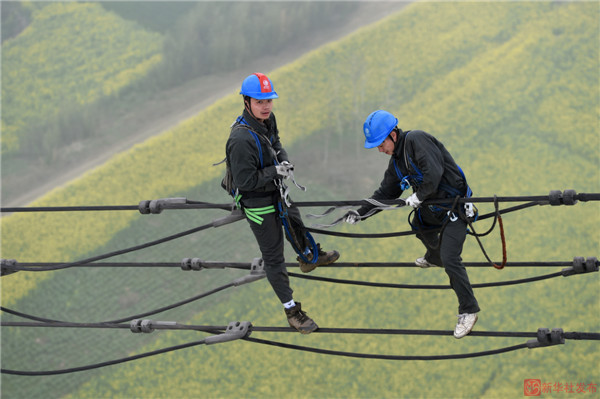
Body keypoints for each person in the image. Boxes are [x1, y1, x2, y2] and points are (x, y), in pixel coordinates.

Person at [344, 109, 480, 338]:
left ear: (393, 136)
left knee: (451, 259)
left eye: (380, 143)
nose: (379, 149)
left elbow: (434, 173)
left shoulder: (416, 140)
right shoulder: (397, 163)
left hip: (456, 208)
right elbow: (386, 192)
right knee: (418, 224)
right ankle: (433, 257)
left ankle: (469, 309)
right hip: (434, 210)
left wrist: (419, 195)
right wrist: (361, 213)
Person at [224, 73, 340, 334]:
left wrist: (283, 162)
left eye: (269, 100)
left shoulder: (266, 120)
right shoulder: (241, 140)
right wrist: (275, 172)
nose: (266, 106)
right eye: (259, 101)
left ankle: (309, 256)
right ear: (246, 102)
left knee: (296, 223)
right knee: (274, 257)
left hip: (275, 191)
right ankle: (292, 311)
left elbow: (275, 143)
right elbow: (245, 181)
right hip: (257, 204)